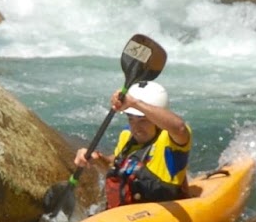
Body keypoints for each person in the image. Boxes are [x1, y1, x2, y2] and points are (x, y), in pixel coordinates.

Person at [73, 79, 191, 207]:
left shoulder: (170, 140)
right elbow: (115, 165)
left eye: (143, 121)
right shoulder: (127, 136)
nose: (136, 127)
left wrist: (135, 103)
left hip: (159, 217)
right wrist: (96, 158)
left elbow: (179, 128)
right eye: (131, 119)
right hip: (125, 216)